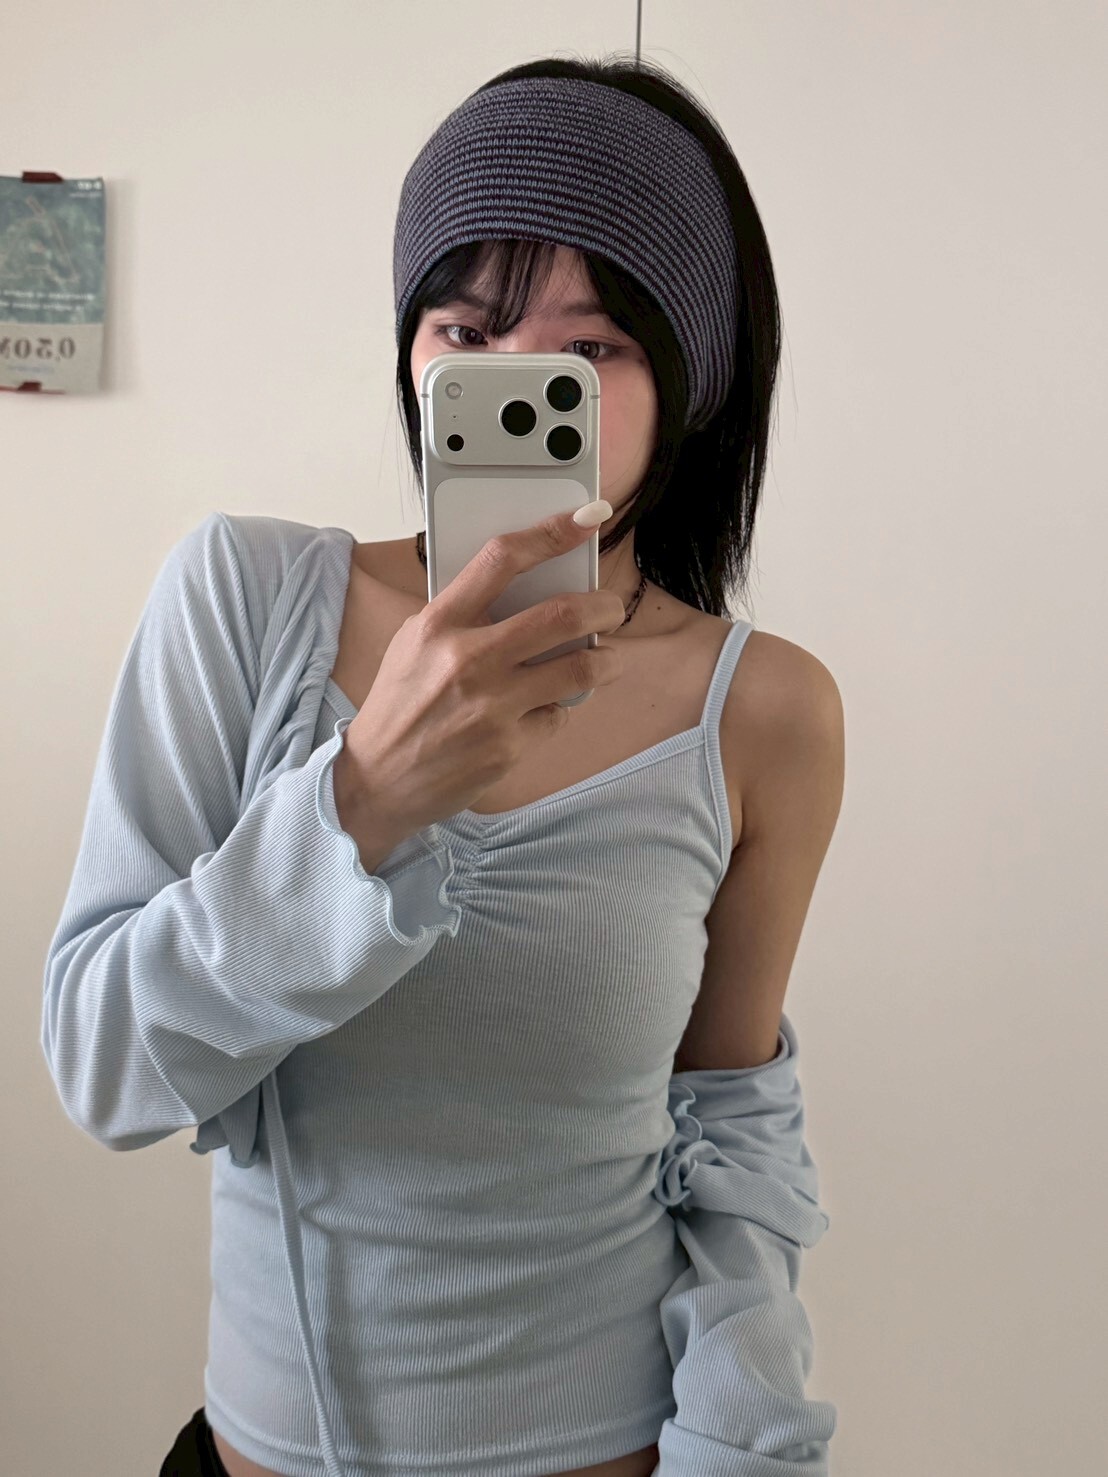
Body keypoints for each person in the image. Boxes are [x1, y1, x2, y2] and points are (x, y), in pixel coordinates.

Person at [42, 53, 844, 1477]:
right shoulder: (242, 600)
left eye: (591, 348)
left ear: (691, 381)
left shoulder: (765, 710)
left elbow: (731, 1127)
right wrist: (361, 802)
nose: (513, 382)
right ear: (411, 352)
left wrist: (744, 1437)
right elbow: (106, 1070)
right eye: (465, 329)